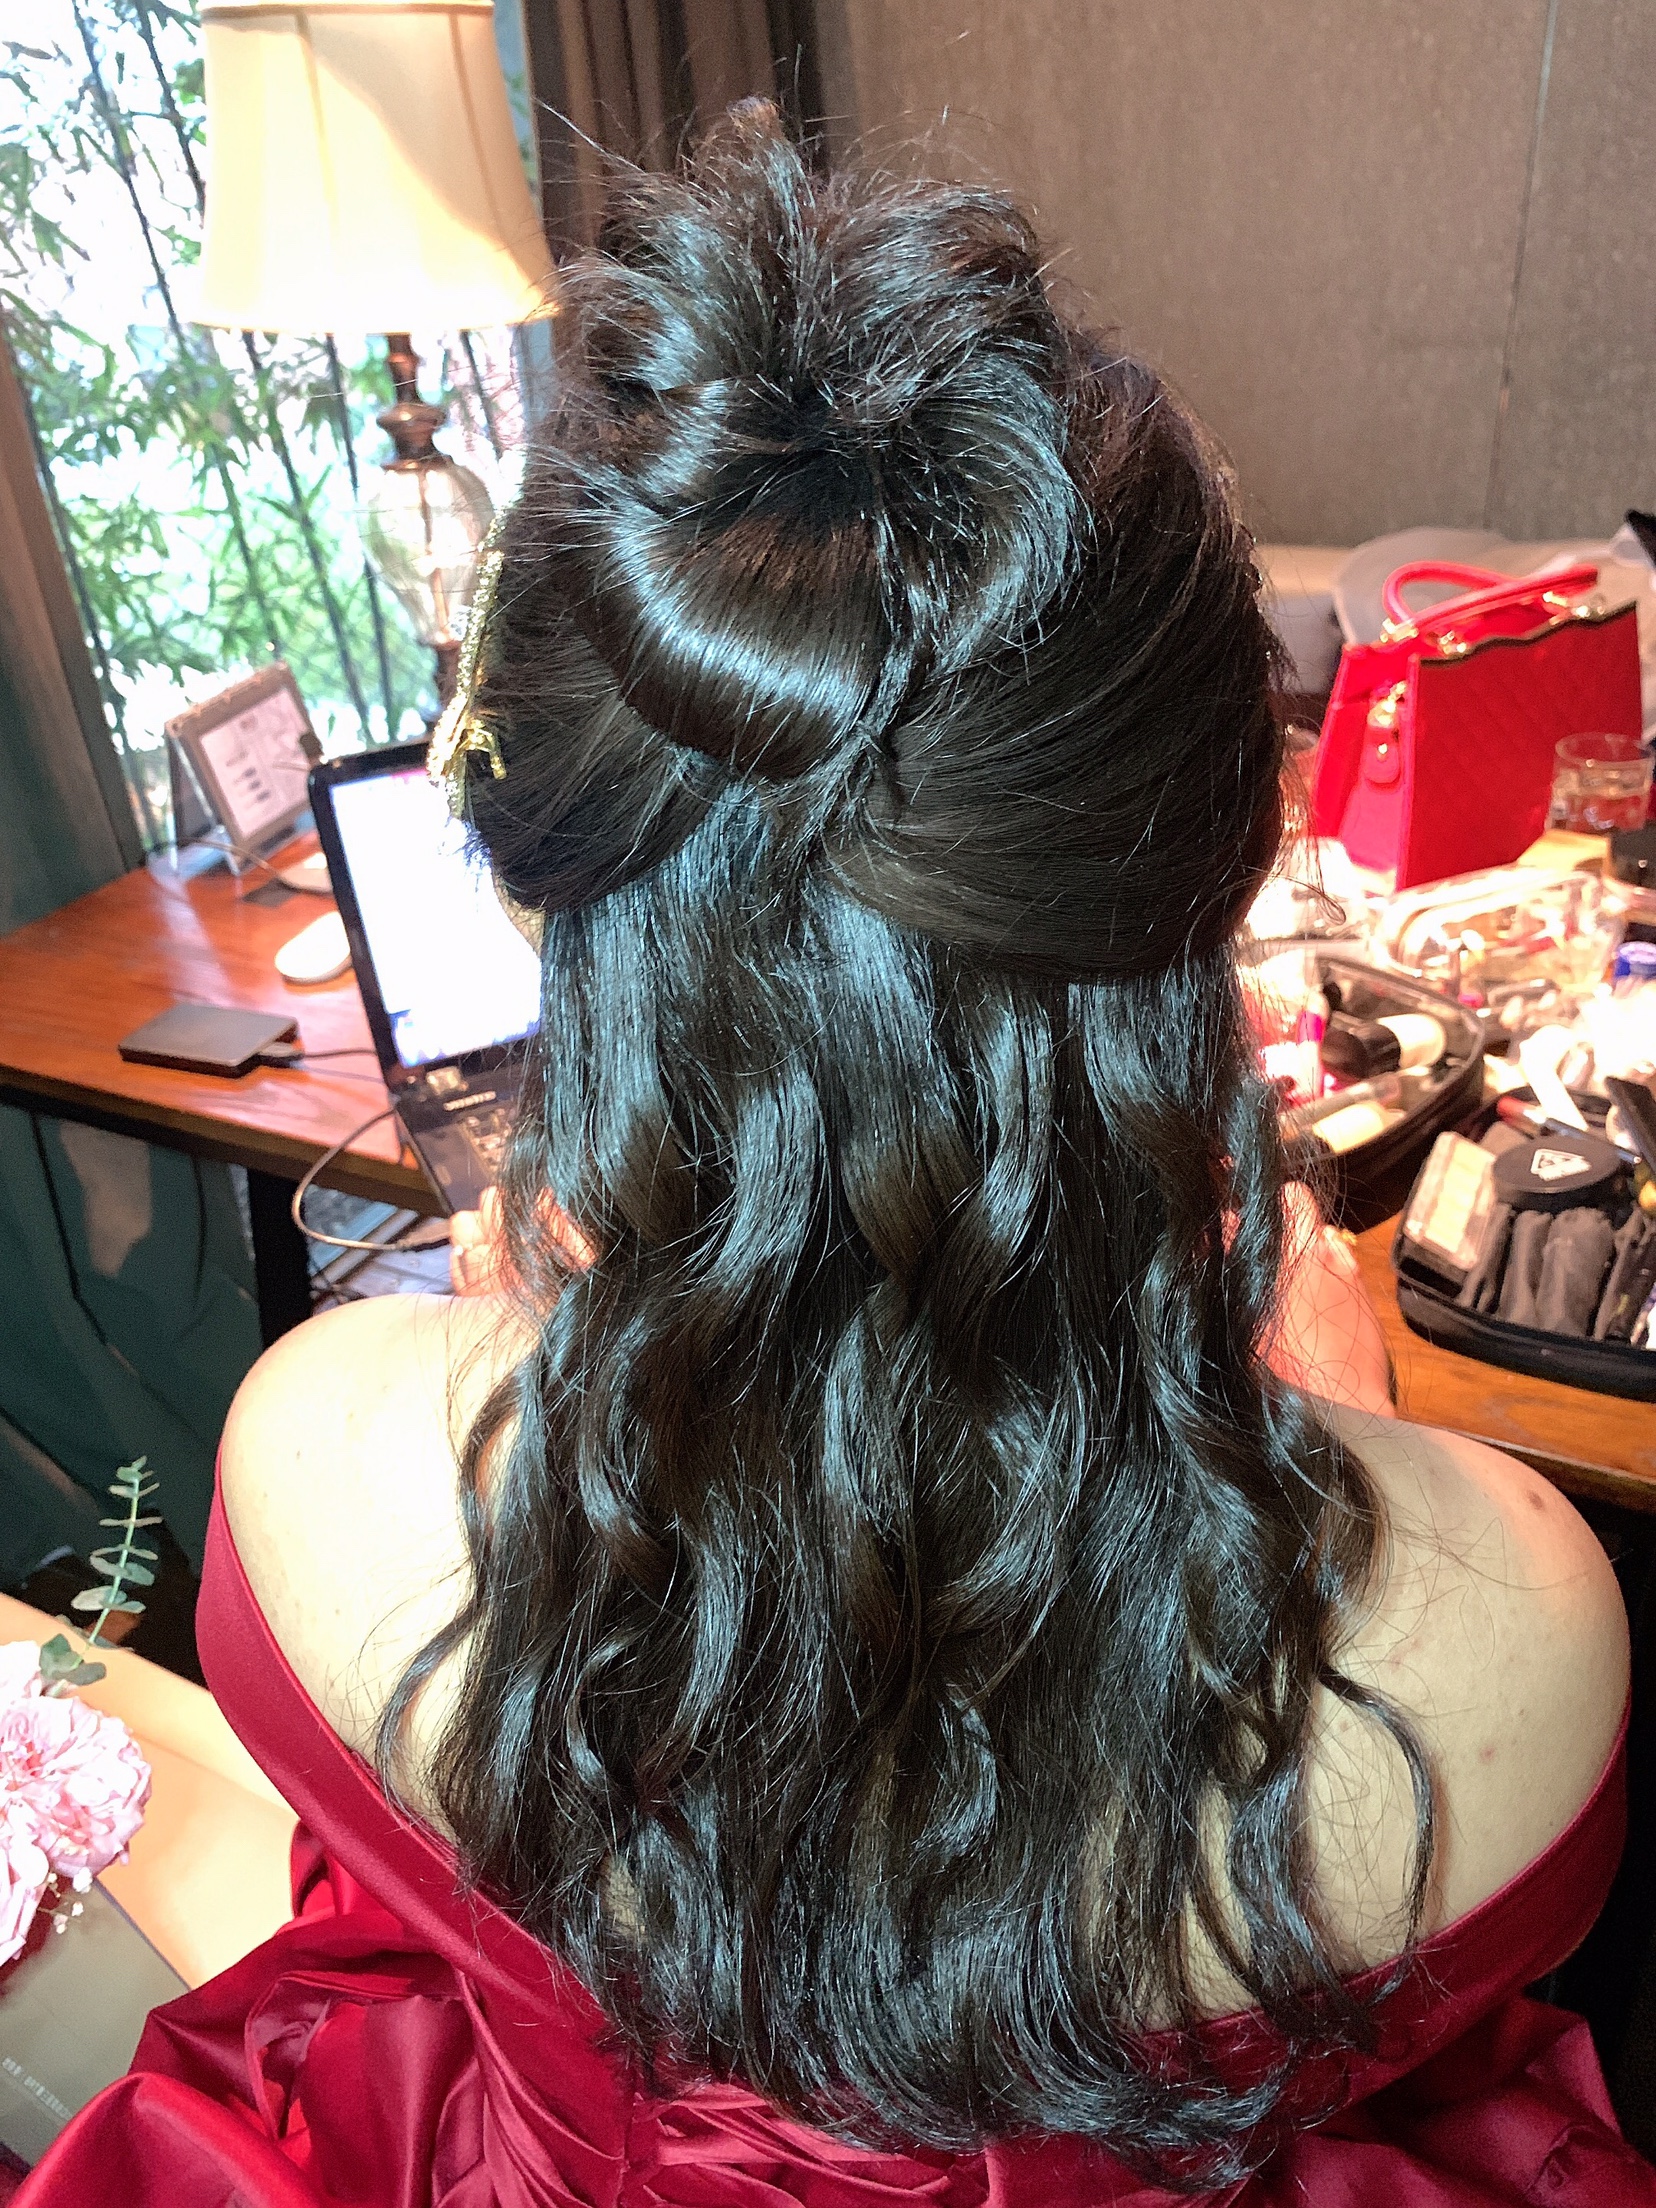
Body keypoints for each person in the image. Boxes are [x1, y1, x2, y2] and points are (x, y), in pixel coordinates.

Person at [17, 102, 1648, 2206]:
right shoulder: (1524, 1618)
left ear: (552, 880)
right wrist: (1376, 1452)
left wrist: (544, 1353)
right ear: (1203, 890)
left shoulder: (322, 1448)